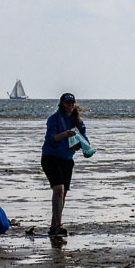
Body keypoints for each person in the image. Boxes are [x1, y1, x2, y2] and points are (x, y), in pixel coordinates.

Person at [42, 93, 87, 238]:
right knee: (58, 189)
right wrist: (64, 135)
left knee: (63, 192)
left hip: (67, 159)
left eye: (72, 103)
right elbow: (51, 138)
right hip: (50, 157)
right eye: (67, 103)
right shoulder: (54, 119)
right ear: (62, 104)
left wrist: (87, 151)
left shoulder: (78, 122)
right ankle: (59, 226)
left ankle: (54, 225)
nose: (70, 105)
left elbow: (84, 141)